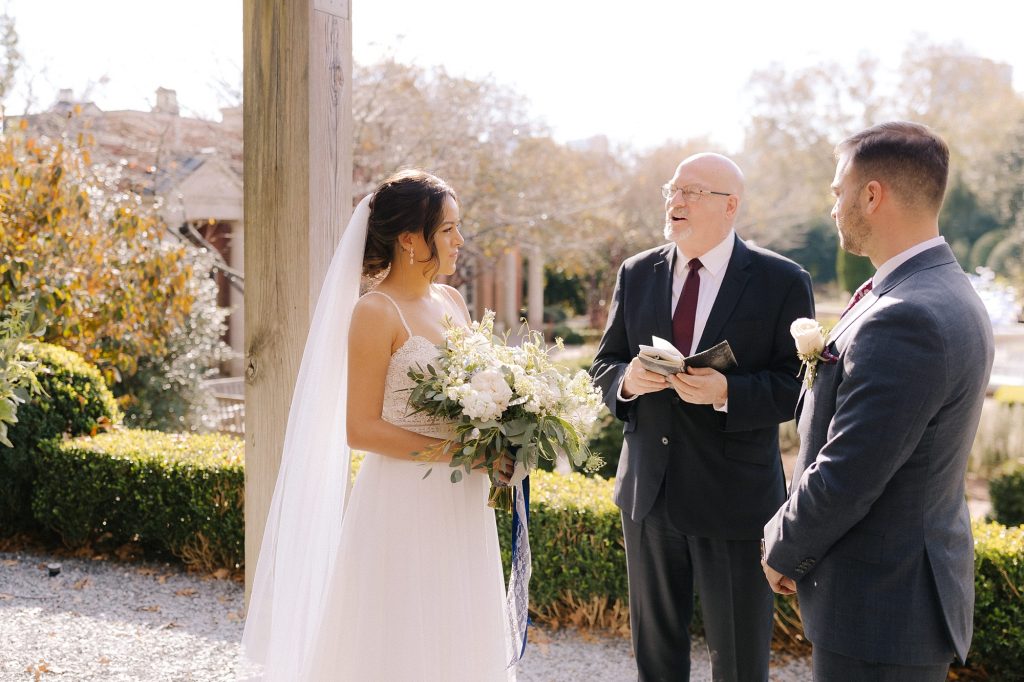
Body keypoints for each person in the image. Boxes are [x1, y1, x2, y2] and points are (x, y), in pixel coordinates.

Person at [240, 169, 514, 681]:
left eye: (458, 227)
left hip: (462, 497)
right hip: (402, 500)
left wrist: (504, 434)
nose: (460, 240)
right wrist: (459, 454)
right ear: (410, 239)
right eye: (448, 229)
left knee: (457, 625)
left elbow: (477, 398)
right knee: (399, 634)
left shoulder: (451, 301)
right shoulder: (375, 311)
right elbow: (360, 429)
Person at [762, 122, 995, 681]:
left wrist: (784, 542)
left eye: (838, 191)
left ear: (872, 195)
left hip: (882, 605)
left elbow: (852, 468)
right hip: (891, 596)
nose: (834, 207)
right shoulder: (933, 287)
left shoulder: (907, 315)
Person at [590, 153, 814, 681]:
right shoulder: (637, 271)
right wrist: (626, 381)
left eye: (692, 192)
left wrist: (726, 391)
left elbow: (797, 387)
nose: (676, 200)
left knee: (738, 661)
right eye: (672, 189)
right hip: (648, 494)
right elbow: (604, 362)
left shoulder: (781, 280)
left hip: (734, 500)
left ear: (730, 206)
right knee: (655, 658)